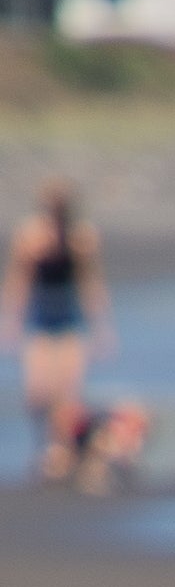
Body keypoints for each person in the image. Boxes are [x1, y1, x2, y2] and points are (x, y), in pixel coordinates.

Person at [2, 181, 117, 482]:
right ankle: (45, 444)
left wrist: (101, 329)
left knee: (69, 392)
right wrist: (11, 322)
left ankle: (62, 451)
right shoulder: (30, 235)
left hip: (69, 316)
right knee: (37, 392)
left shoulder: (82, 237)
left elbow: (91, 282)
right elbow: (19, 279)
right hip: (40, 316)